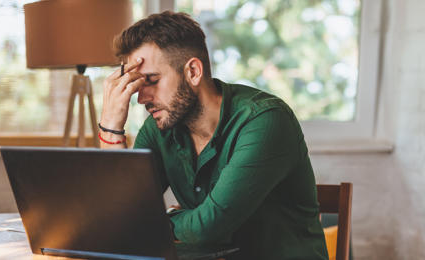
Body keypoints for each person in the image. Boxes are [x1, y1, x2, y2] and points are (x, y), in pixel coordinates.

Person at [99, 11, 328, 260]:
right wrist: (110, 126)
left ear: (193, 72)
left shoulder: (265, 120)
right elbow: (121, 215)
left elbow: (209, 227)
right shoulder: (160, 127)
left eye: (151, 80)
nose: (141, 98)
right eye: (136, 86)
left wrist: (159, 219)